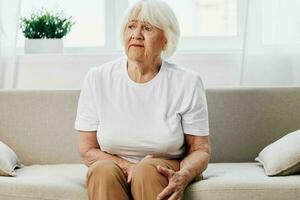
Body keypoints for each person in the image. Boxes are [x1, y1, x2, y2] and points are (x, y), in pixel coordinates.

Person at [75, 0, 211, 199]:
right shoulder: (98, 78)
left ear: (166, 39)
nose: (136, 34)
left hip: (164, 166)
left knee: (147, 170)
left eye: (146, 28)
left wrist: (183, 175)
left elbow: (201, 149)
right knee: (101, 171)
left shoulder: (187, 82)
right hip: (115, 167)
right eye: (131, 26)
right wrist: (128, 167)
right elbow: (87, 148)